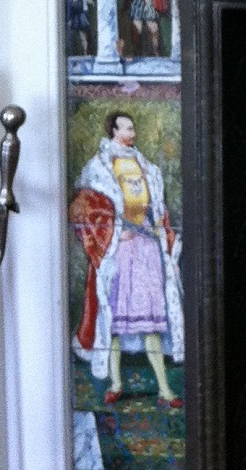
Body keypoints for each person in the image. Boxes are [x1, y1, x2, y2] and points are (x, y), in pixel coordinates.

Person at [69, 111, 184, 406]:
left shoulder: (145, 166)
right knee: (114, 321)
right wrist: (113, 233)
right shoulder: (99, 168)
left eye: (133, 128)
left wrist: (159, 231)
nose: (133, 133)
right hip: (119, 250)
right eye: (127, 128)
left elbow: (157, 208)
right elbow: (82, 209)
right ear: (114, 131)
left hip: (147, 247)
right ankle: (116, 383)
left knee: (152, 321)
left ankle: (164, 389)